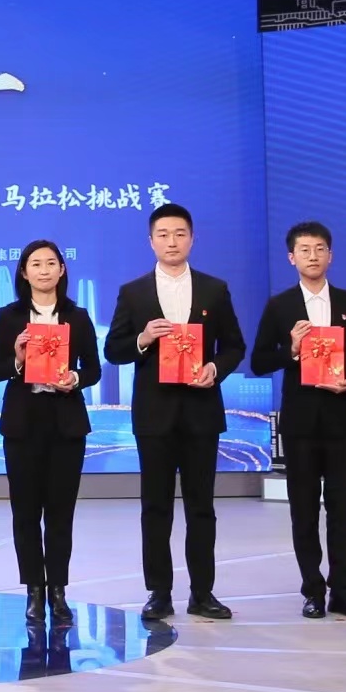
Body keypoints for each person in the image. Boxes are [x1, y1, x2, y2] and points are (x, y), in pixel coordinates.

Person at [105, 203, 248, 623]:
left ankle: (203, 593)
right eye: (163, 235)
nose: (172, 242)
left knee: (202, 506)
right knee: (156, 506)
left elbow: (235, 345)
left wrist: (215, 369)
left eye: (180, 234)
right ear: (151, 241)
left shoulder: (214, 289)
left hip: (201, 412)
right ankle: (159, 592)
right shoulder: (133, 292)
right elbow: (113, 350)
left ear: (192, 238)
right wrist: (143, 338)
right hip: (154, 415)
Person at [248, 222, 346, 620]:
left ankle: (343, 591)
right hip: (300, 423)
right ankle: (312, 591)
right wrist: (291, 348)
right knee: (303, 511)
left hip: (341, 418)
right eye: (304, 250)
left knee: (342, 509)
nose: (313, 256)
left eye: (320, 249)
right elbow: (259, 362)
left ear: (330, 255)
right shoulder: (280, 306)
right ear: (292, 258)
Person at [0, 239, 100, 628]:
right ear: (24, 272)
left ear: (62, 270)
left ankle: (58, 591)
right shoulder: (9, 316)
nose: (44, 270)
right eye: (36, 264)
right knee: (26, 512)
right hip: (23, 424)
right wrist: (18, 360)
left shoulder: (77, 317)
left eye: (51, 263)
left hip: (66, 423)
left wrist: (75, 378)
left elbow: (94, 369)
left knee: (61, 512)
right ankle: (34, 590)